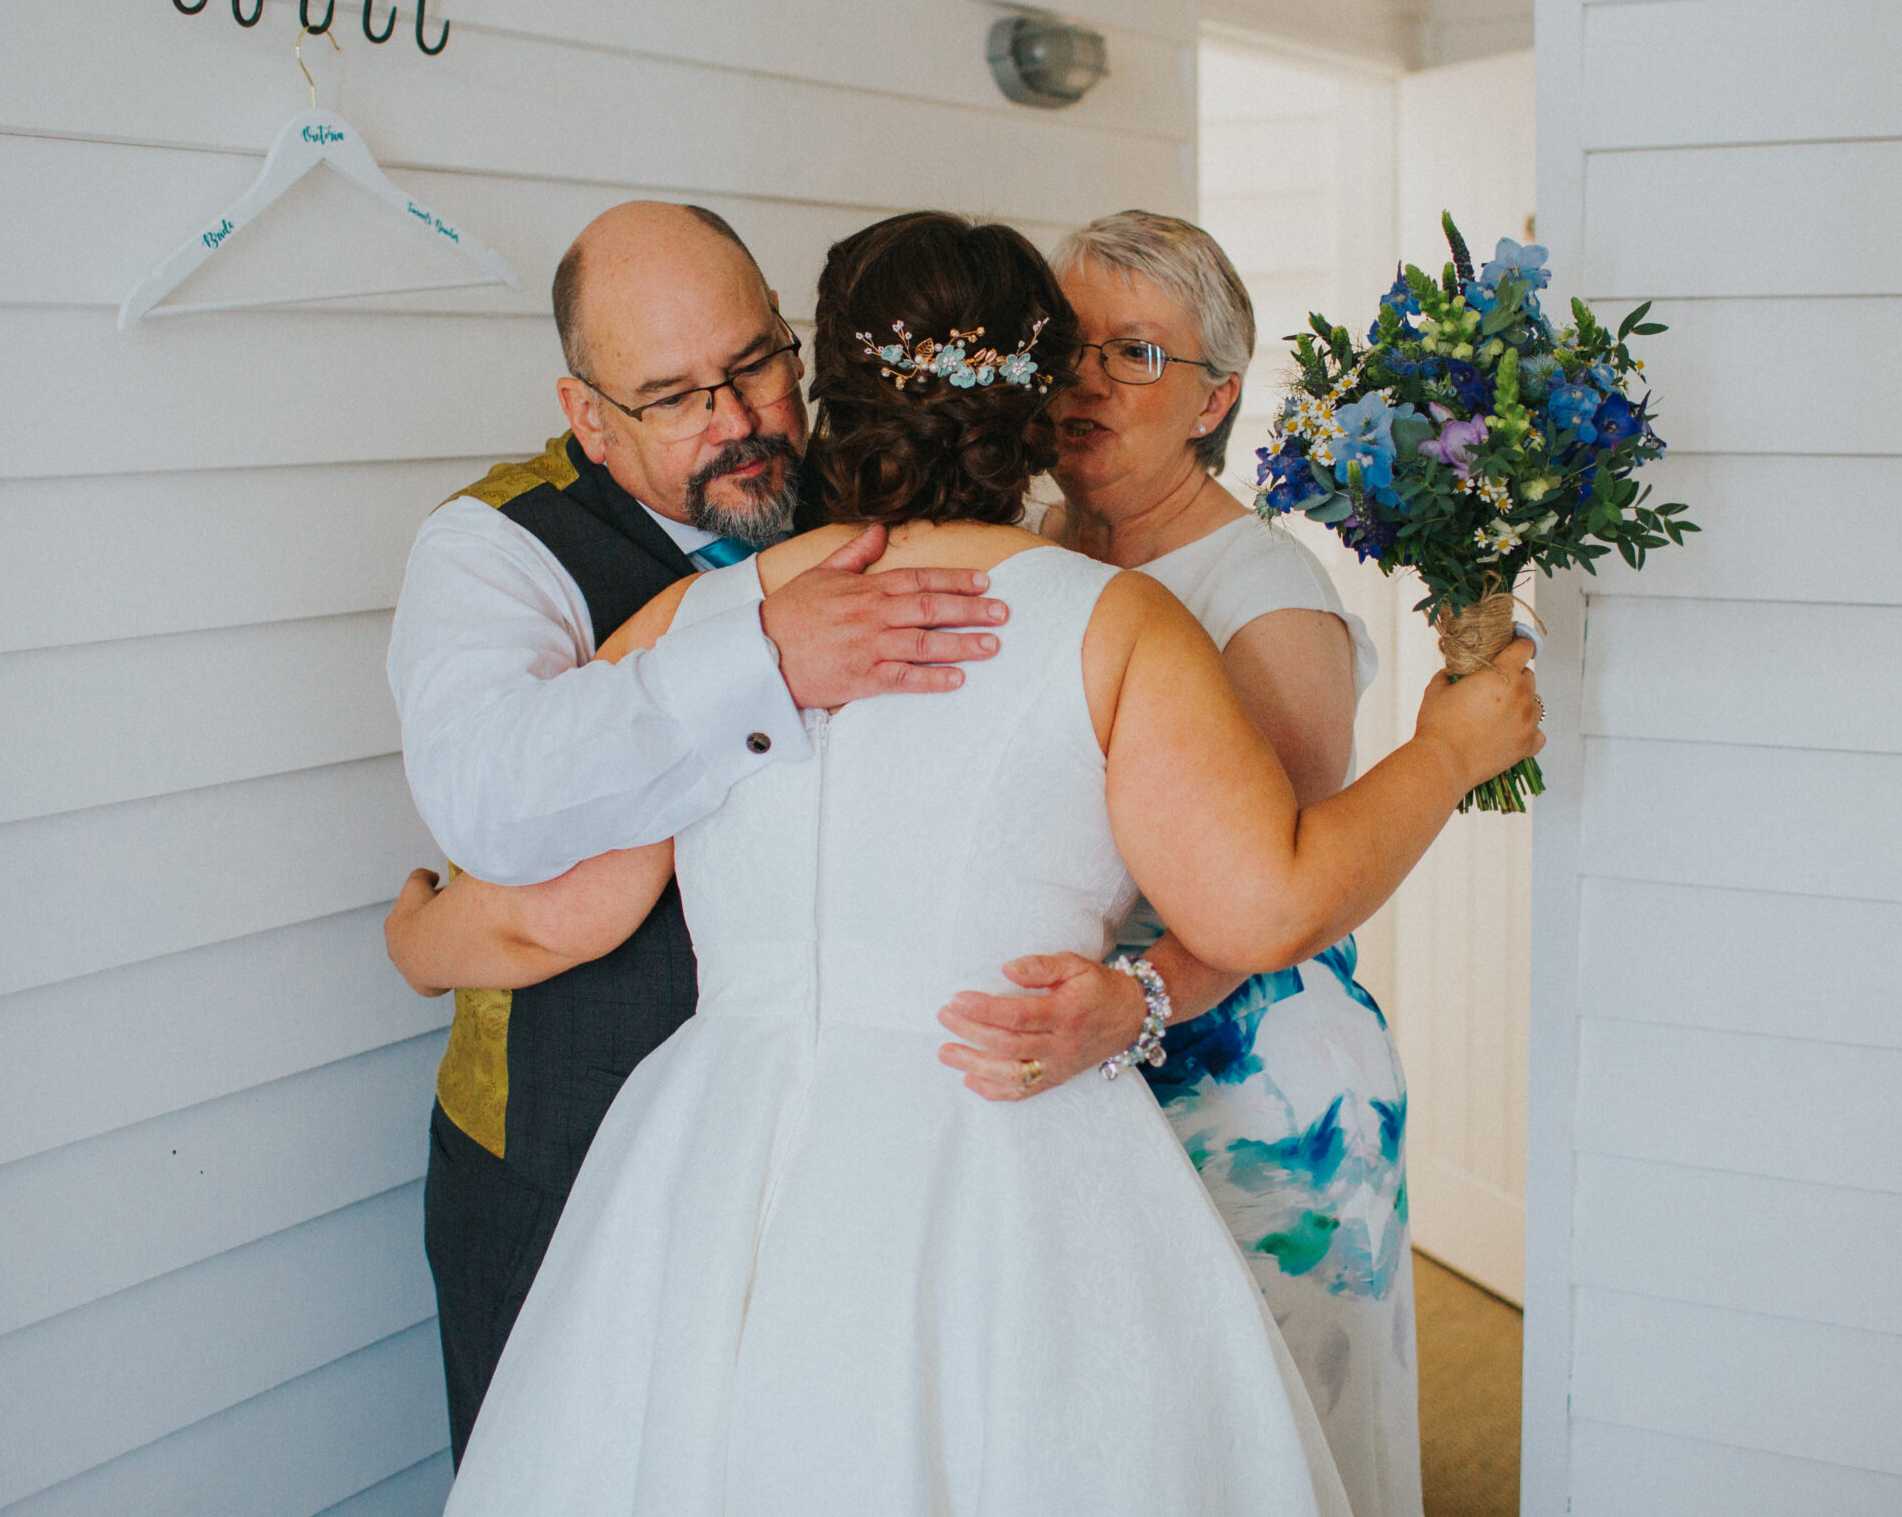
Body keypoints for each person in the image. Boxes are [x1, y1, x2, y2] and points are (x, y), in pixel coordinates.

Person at [399, 211, 1540, 1514]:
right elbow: (1264, 898)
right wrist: (1448, 749)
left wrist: (415, 939)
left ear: (827, 381)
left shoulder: (719, 622)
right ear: (1039, 398)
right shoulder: (1117, 622)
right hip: (1004, 1142)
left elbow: (577, 904)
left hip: (725, 1151)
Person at [383, 200, 1015, 1461]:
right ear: (587, 417)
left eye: (755, 366)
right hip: (564, 1153)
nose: (735, 422)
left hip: (843, 1154)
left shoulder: (880, 487)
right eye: (673, 398)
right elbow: (496, 802)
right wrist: (757, 655)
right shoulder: (493, 549)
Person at [933, 210, 1425, 1515]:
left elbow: (1298, 874)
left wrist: (1138, 999)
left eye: (1139, 353)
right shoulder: (1030, 545)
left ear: (1217, 396)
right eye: (1072, 347)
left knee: (1264, 1439)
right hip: (1079, 1063)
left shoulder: (1261, 587)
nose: (1090, 380)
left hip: (1252, 1078)